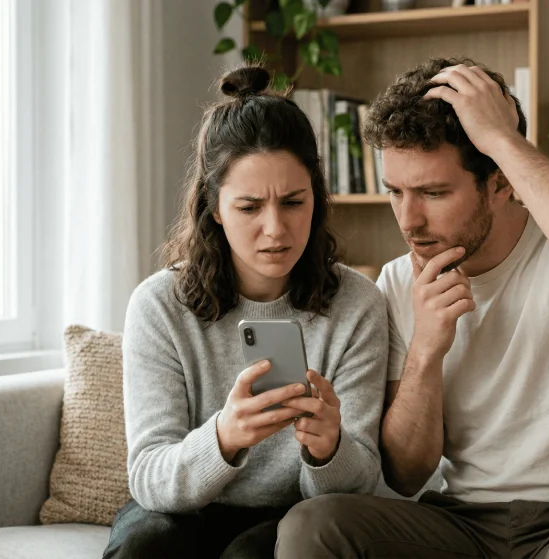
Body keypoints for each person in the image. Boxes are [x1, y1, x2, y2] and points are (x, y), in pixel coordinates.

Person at [276, 57, 549, 558]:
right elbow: (405, 475)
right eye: (396, 192)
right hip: (466, 525)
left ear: (500, 181)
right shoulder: (401, 281)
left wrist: (502, 140)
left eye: (433, 192)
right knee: (313, 525)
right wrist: (426, 351)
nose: (409, 219)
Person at [102, 65, 388, 559]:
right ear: (214, 207)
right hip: (182, 510)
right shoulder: (158, 306)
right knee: (145, 545)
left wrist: (328, 451)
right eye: (250, 207)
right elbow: (149, 476)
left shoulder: (357, 304)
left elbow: (359, 485)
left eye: (294, 202)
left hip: (292, 515)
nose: (275, 229)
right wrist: (224, 437)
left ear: (317, 201)